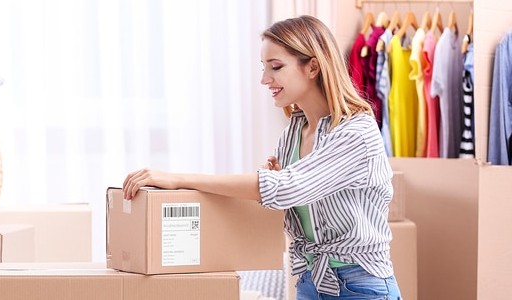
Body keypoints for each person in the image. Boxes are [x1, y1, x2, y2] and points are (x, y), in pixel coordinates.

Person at [122, 15, 401, 299]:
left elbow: (284, 188)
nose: (265, 79)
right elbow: (279, 199)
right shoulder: (294, 132)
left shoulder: (357, 132)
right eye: (264, 68)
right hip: (310, 280)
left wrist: (177, 179)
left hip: (360, 285)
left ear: (313, 66)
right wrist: (269, 185)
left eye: (276, 67)